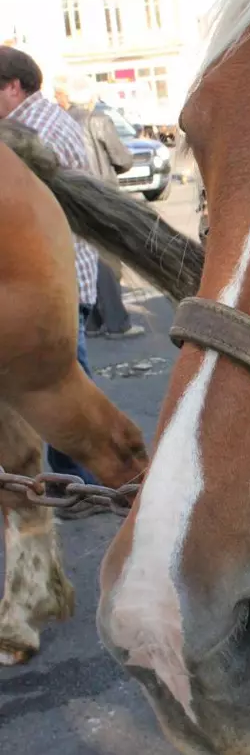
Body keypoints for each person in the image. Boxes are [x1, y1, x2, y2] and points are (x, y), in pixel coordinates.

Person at [0, 46, 98, 484]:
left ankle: (88, 475)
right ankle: (76, 471)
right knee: (65, 377)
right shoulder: (53, 118)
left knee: (62, 382)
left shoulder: (27, 129)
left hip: (54, 275)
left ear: (13, 87)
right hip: (68, 267)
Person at [59, 76, 145, 339]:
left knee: (84, 259)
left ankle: (93, 322)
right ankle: (117, 323)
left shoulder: (60, 120)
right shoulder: (99, 120)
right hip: (102, 198)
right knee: (107, 260)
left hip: (72, 199)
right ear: (92, 98)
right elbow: (122, 158)